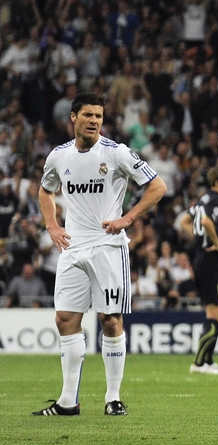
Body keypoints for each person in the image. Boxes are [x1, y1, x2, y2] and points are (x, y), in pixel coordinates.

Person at [33, 92, 167, 417]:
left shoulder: (117, 152)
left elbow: (157, 186)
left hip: (107, 247)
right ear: (73, 118)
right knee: (65, 320)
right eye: (89, 115)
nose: (94, 121)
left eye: (99, 116)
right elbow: (45, 190)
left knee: (110, 321)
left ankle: (113, 397)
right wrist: (51, 225)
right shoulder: (58, 157)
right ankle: (67, 401)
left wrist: (128, 218)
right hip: (72, 246)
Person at [181, 165, 218, 375]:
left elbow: (186, 221)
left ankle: (209, 361)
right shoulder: (216, 200)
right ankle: (199, 363)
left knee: (217, 312)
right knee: (214, 312)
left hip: (203, 258)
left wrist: (198, 239)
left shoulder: (203, 199)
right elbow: (205, 221)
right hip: (211, 259)